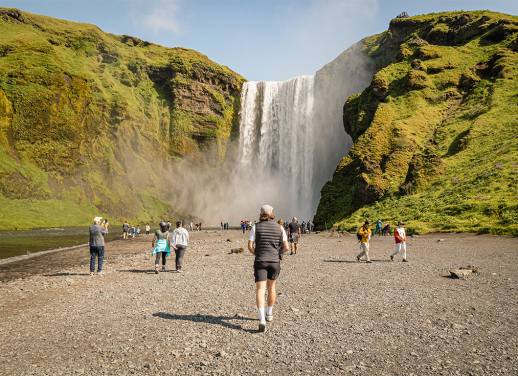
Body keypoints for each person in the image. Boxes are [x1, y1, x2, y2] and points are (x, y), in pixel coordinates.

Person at [248, 204, 289, 332]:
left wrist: (257, 253)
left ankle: (261, 320)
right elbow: (286, 247)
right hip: (274, 261)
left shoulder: (256, 226)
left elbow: (250, 245)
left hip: (260, 261)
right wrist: (278, 254)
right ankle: (269, 314)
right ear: (272, 214)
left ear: (261, 214)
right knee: (272, 287)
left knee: (260, 289)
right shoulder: (280, 227)